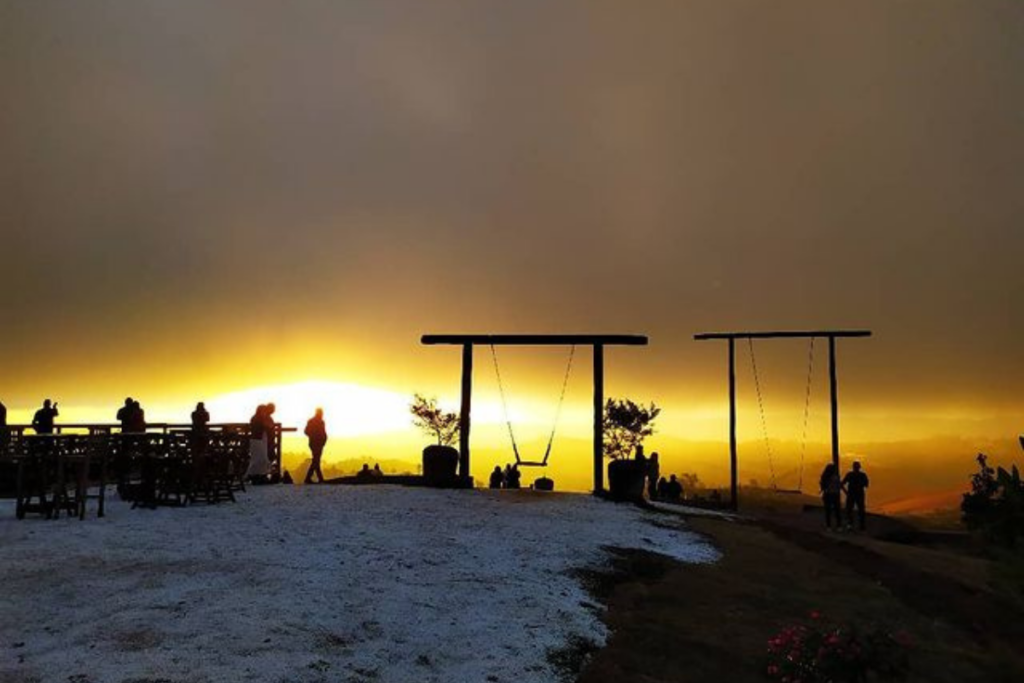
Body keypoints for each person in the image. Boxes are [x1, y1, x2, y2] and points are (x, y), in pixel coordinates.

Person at [841, 461, 870, 531]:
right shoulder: (862, 475)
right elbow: (866, 485)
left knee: (850, 510)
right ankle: (861, 526)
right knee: (859, 510)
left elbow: (841, 484)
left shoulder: (850, 474)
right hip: (858, 495)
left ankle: (851, 525)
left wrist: (846, 492)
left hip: (852, 495)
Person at [246, 405, 271, 481]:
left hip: (257, 440)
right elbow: (268, 426)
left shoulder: (256, 418)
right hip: (257, 440)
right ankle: (254, 475)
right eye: (263, 410)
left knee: (259, 459)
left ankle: (256, 475)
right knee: (261, 459)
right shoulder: (258, 419)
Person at [303, 408, 327, 484]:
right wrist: (314, 435)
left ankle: (315, 478)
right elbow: (306, 431)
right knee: (316, 460)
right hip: (315, 443)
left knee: (316, 460)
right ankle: (315, 478)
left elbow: (323, 432)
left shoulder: (320, 422)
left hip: (318, 443)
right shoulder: (313, 421)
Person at [819, 463, 843, 530]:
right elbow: (839, 485)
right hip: (834, 495)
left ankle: (829, 526)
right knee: (837, 511)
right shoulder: (835, 476)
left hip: (828, 495)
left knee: (828, 511)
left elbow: (822, 486)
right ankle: (838, 526)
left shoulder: (825, 477)